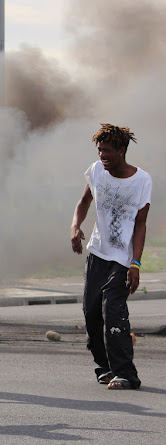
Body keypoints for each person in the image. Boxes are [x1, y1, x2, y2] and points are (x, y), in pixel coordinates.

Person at [70, 123, 151, 390]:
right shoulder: (95, 171)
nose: (101, 155)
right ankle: (105, 368)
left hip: (123, 258)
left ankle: (126, 373)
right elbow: (84, 202)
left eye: (106, 151)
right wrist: (75, 226)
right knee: (91, 311)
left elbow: (141, 224)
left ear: (121, 150)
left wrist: (136, 262)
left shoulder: (142, 180)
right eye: (99, 150)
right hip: (97, 253)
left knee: (112, 310)